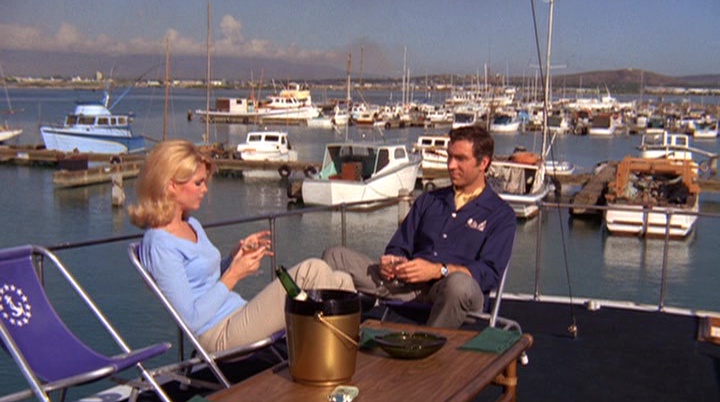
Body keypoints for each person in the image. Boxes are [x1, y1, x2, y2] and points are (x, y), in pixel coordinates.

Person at [128, 139, 354, 352]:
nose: (205, 189)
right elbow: (190, 320)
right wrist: (234, 274)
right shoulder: (160, 245)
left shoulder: (191, 224)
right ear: (171, 186)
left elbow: (208, 279)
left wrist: (235, 256)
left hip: (237, 312)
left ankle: (342, 353)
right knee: (313, 271)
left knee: (341, 280)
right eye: (198, 183)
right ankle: (335, 355)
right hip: (217, 333)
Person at [323, 126, 516, 328]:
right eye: (449, 157)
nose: (451, 165)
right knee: (335, 256)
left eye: (460, 159)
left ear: (483, 163)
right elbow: (399, 245)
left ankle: (430, 342)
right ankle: (329, 334)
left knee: (458, 285)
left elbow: (489, 273)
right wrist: (392, 261)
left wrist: (438, 271)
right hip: (407, 285)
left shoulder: (501, 215)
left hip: (454, 293)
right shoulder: (429, 200)